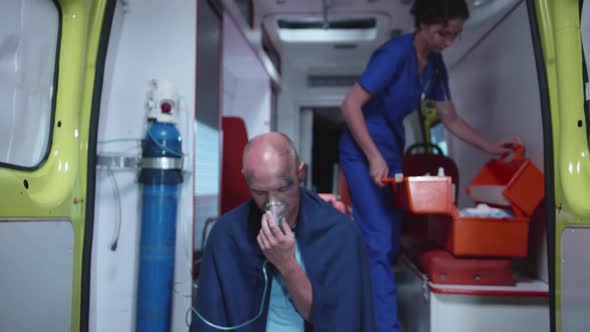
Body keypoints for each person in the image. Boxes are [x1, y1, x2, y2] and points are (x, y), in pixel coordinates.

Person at [338, 0, 521, 331]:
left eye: (455, 35)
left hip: (391, 149)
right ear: (423, 23)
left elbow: (449, 118)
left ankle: (372, 306)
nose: (448, 42)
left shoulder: (435, 66)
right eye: (442, 33)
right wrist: (373, 156)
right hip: (361, 147)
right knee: (378, 240)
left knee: (391, 237)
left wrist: (489, 146)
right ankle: (385, 326)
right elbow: (350, 105)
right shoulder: (394, 54)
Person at [191, 132, 376, 332]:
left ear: (301, 173)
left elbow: (334, 320)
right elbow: (211, 320)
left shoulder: (339, 233)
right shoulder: (227, 234)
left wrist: (286, 263)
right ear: (246, 179)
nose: (273, 204)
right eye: (260, 193)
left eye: (282, 189)